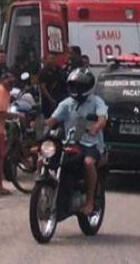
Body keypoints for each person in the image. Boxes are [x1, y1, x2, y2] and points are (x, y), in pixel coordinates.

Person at [47, 67, 108, 216]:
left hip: (91, 144)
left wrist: (96, 127)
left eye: (79, 86)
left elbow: (102, 119)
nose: (76, 89)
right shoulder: (66, 103)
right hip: (69, 143)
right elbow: (52, 120)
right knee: (45, 156)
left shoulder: (97, 101)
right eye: (74, 85)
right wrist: (39, 125)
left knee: (88, 163)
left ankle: (90, 201)